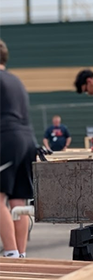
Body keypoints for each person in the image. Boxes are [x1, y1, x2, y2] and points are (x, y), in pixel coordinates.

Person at [0, 39, 37, 258]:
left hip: (7, 138)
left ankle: (11, 253)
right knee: (18, 202)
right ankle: (21, 255)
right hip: (27, 139)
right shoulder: (16, 80)